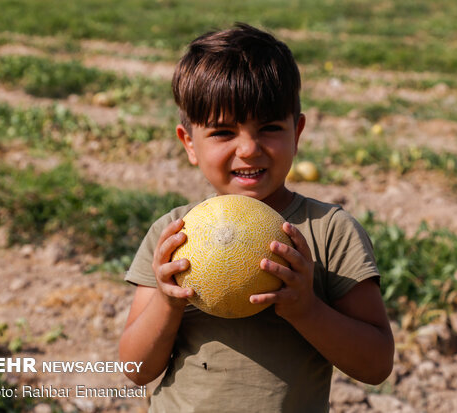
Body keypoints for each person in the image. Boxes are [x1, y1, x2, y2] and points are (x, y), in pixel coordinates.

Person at [119, 23, 394, 412]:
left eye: (269, 128)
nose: (248, 149)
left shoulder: (330, 232)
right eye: (222, 132)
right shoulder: (175, 236)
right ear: (189, 143)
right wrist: (168, 303)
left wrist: (307, 309)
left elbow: (376, 364)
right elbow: (136, 369)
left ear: (297, 133)